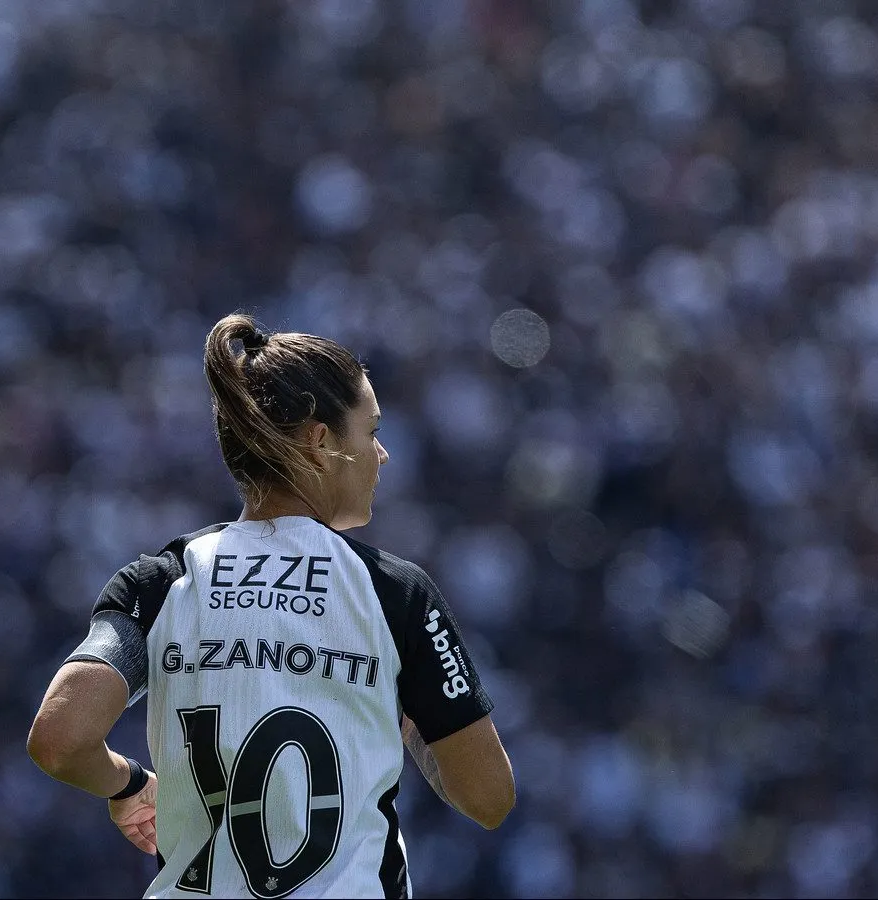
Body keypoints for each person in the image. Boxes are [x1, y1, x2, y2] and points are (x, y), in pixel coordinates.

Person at [28, 313, 515, 898]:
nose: (381, 455)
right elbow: (488, 798)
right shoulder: (393, 594)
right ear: (321, 441)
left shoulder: (162, 583)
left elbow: (60, 740)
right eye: (370, 432)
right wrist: (406, 712)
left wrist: (127, 783)